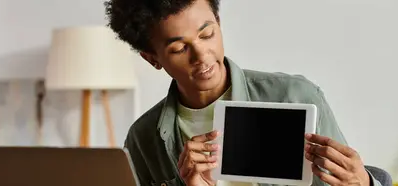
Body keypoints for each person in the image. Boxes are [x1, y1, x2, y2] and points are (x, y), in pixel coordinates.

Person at [104, 0, 383, 186]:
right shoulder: (143, 139)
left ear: (219, 23)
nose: (202, 55)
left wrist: (364, 182)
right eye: (179, 49)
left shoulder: (295, 96)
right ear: (152, 59)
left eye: (207, 34)